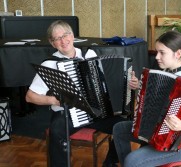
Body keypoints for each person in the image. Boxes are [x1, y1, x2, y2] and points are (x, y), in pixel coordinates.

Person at [26, 20, 122, 167]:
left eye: (65, 35)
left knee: (123, 125)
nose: (63, 41)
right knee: (56, 132)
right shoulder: (50, 64)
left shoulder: (89, 54)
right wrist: (54, 100)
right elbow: (30, 96)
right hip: (66, 113)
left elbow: (104, 82)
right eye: (57, 38)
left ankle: (109, 163)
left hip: (94, 110)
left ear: (72, 36)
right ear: (52, 43)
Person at [112, 30, 181, 167]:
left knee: (133, 160)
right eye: (156, 52)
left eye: (162, 52)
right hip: (159, 133)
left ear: (177, 54)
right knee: (119, 129)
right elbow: (155, 101)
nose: (157, 57)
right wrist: (139, 86)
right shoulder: (165, 73)